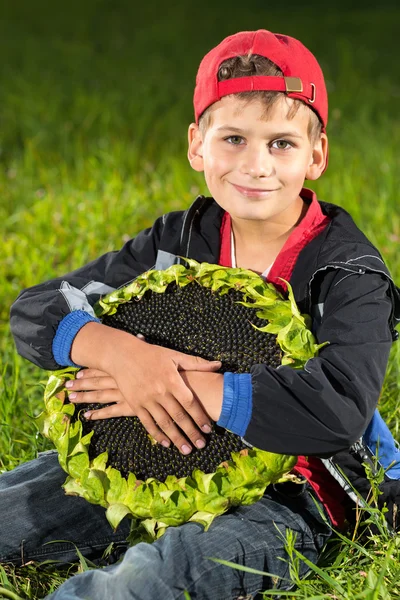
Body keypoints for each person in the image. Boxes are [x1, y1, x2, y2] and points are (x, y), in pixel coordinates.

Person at [3, 28, 400, 600]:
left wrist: (178, 382)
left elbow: (336, 410)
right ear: (197, 145)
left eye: (282, 143)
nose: (256, 165)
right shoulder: (178, 240)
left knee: (147, 580)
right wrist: (120, 354)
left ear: (317, 155)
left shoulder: (346, 273)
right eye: (233, 138)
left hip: (295, 493)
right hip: (147, 453)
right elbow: (36, 311)